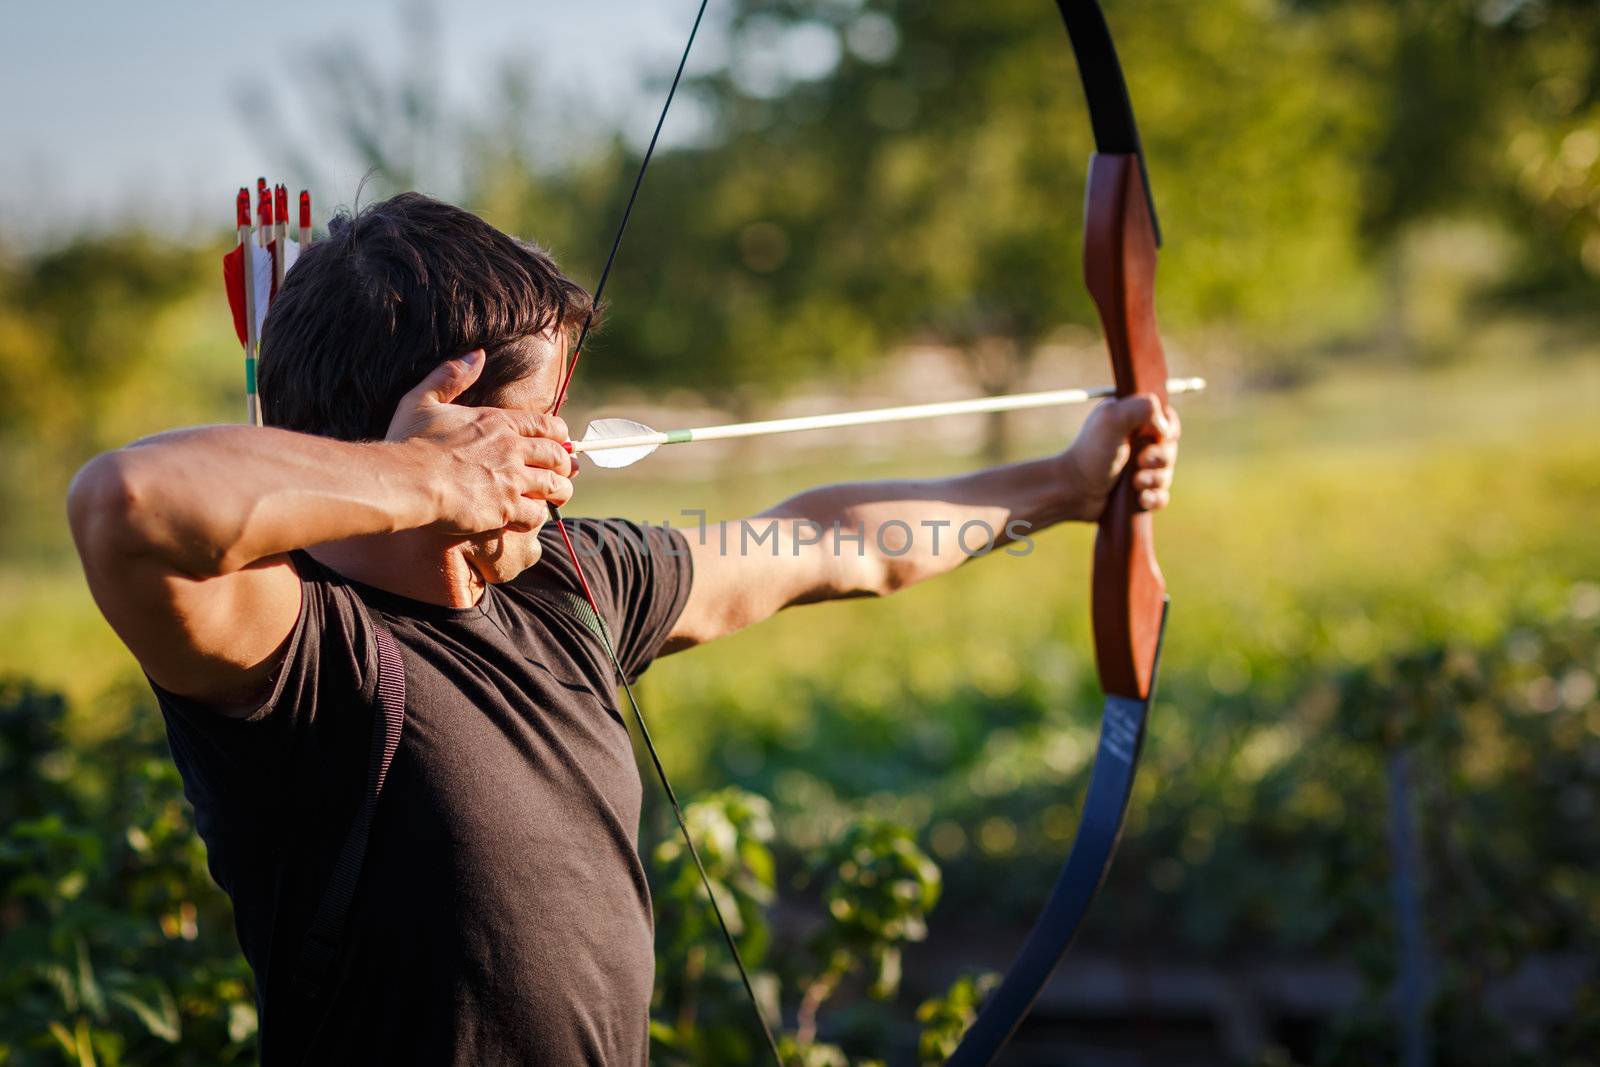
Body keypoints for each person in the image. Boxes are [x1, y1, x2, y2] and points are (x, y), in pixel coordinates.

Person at [67, 192, 1180, 1066]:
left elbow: (839, 542)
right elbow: (126, 504)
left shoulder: (574, 582)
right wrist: (421, 480)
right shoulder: (301, 648)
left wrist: (1067, 484)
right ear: (454, 429)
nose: (566, 448)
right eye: (541, 416)